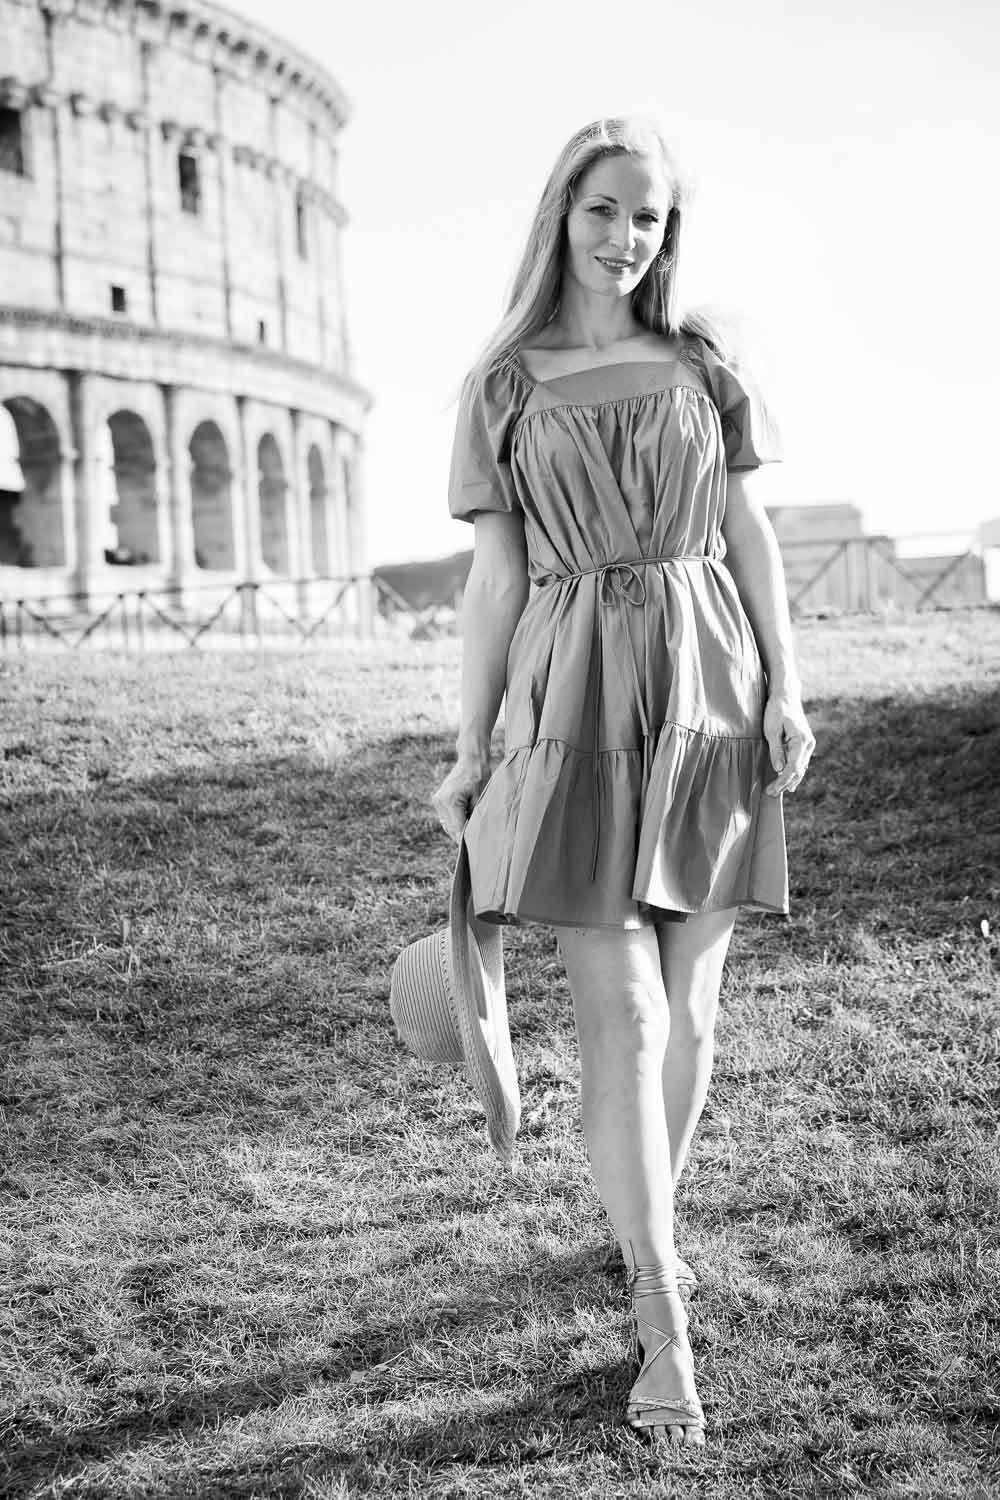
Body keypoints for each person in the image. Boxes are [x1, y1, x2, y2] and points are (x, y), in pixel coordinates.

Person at [431, 116, 815, 1449]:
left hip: (711, 695)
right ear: (561, 215)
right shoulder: (505, 382)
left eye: (649, 217)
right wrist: (473, 749)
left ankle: (644, 1220)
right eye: (604, 210)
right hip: (574, 700)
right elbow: (492, 582)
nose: (626, 236)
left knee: (693, 1013)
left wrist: (788, 687)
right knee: (630, 1027)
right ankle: (663, 1315)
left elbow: (747, 532)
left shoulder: (706, 366)